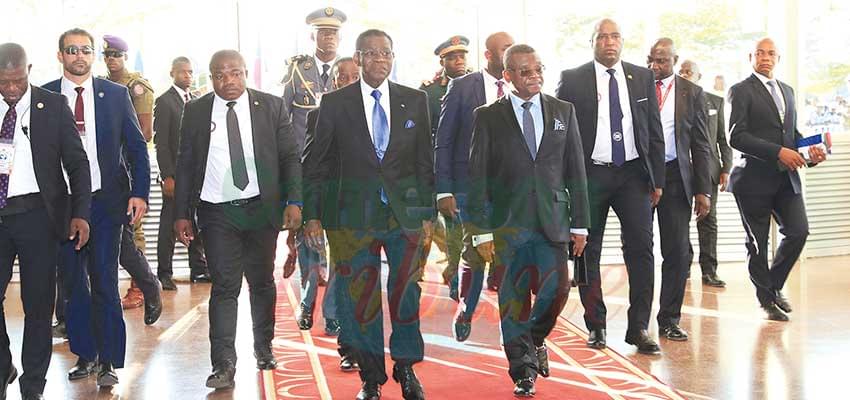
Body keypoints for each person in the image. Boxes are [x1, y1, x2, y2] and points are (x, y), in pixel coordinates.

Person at [303, 29, 433, 400]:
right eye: (372, 54)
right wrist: (312, 215)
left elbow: (425, 161)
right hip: (351, 216)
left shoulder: (415, 100)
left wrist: (426, 214)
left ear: (394, 57)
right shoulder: (334, 103)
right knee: (362, 296)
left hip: (403, 215)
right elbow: (317, 164)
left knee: (406, 290)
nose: (380, 60)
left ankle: (406, 367)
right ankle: (371, 379)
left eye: (386, 53)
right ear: (358, 58)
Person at [173, 49, 302, 388]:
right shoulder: (197, 110)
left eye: (234, 73)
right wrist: (181, 214)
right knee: (225, 286)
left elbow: (290, 157)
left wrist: (295, 201)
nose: (227, 80)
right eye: (219, 74)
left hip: (262, 209)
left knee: (261, 282)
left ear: (246, 73)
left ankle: (264, 346)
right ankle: (224, 364)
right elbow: (185, 164)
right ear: (210, 77)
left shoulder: (271, 106)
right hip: (217, 211)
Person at [466, 44, 589, 397]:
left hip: (553, 220)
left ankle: (533, 341)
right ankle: (523, 371)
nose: (534, 76)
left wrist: (580, 223)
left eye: (538, 69)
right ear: (508, 76)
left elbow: (576, 170)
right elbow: (478, 178)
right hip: (508, 224)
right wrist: (480, 232)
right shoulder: (487, 116)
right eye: (524, 71)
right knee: (514, 298)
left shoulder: (563, 110)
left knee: (558, 291)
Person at [44, 27, 151, 387]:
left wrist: (139, 193)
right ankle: (86, 354)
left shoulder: (116, 95)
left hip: (106, 203)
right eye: (71, 50)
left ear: (93, 56)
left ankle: (108, 360)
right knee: (73, 284)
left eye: (85, 50)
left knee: (105, 281)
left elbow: (136, 147)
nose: (79, 56)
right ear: (60, 55)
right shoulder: (43, 95)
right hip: (62, 205)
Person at [555, 18, 665, 354]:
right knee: (587, 250)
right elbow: (561, 133)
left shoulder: (642, 76)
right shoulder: (573, 79)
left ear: (622, 41)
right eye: (602, 37)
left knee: (643, 251)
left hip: (633, 175)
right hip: (591, 175)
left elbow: (654, 130)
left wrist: (657, 179)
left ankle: (639, 328)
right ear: (592, 42)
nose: (609, 42)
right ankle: (596, 325)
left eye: (615, 36)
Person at [0, 42, 91, 400]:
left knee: (38, 306)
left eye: (17, 81)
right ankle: (4, 363)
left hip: (38, 216)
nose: (10, 89)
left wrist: (80, 213)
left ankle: (33, 386)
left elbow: (77, 163)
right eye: (3, 82)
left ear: (29, 70)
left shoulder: (52, 106)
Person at [727, 38, 827, 321]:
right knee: (757, 243)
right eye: (759, 53)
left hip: (786, 179)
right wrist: (778, 152)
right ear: (751, 57)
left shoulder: (787, 91)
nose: (765, 57)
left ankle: (772, 286)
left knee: (799, 231)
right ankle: (766, 301)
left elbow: (790, 135)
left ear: (778, 58)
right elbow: (736, 137)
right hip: (752, 180)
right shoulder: (740, 91)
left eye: (771, 53)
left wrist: (809, 154)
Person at [435, 32, 514, 341]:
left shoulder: (520, 86)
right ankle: (466, 307)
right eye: (504, 49)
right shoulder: (462, 87)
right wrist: (444, 189)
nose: (510, 53)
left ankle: (518, 328)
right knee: (475, 252)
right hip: (470, 186)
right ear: (488, 55)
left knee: (511, 256)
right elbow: (444, 140)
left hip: (511, 190)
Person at [281, 6, 347, 326]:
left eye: (334, 33)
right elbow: (283, 119)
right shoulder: (298, 70)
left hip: (342, 173)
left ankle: (332, 312)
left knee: (340, 246)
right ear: (314, 36)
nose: (329, 38)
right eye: (323, 33)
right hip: (304, 167)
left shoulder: (351, 71)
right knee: (309, 242)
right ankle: (307, 303)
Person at [646, 39, 712, 341]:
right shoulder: (637, 87)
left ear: (675, 60)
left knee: (676, 251)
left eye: (663, 61)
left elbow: (701, 144)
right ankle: (638, 319)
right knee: (639, 249)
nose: (657, 66)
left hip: (675, 177)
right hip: (641, 177)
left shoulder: (692, 92)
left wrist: (703, 190)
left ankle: (669, 318)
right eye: (653, 60)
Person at [302, 56, 360, 372]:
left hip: (374, 207)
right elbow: (312, 165)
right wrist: (311, 212)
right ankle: (339, 324)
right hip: (337, 205)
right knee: (343, 266)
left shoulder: (383, 109)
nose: (349, 81)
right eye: (343, 77)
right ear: (334, 81)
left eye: (355, 76)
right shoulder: (319, 114)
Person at [101, 34, 162, 312]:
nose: (111, 60)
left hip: (126, 167)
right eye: (107, 55)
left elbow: (145, 132)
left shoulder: (137, 88)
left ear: (125, 56)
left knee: (133, 231)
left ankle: (142, 288)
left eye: (116, 55)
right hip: (103, 169)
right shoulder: (100, 85)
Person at [419, 35, 470, 298]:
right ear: (443, 61)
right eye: (453, 57)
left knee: (456, 228)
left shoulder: (474, 85)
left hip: (459, 170)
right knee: (425, 223)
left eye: (462, 56)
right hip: (431, 168)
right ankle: (416, 272)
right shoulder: (428, 92)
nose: (459, 61)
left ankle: (453, 274)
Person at [153, 56, 209, 290]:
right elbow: (162, 143)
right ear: (172, 73)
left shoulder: (196, 101)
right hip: (174, 177)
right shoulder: (164, 102)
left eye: (190, 72)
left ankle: (198, 269)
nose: (187, 76)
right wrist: (168, 175)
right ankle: (164, 273)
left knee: (195, 222)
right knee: (168, 225)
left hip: (195, 176)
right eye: (183, 72)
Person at [679, 59, 733, 287]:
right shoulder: (670, 101)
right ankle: (684, 267)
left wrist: (726, 168)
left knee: (708, 220)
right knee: (680, 221)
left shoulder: (715, 102)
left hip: (709, 170)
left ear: (698, 77)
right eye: (681, 70)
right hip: (680, 171)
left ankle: (709, 271)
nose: (684, 74)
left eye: (689, 71)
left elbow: (723, 138)